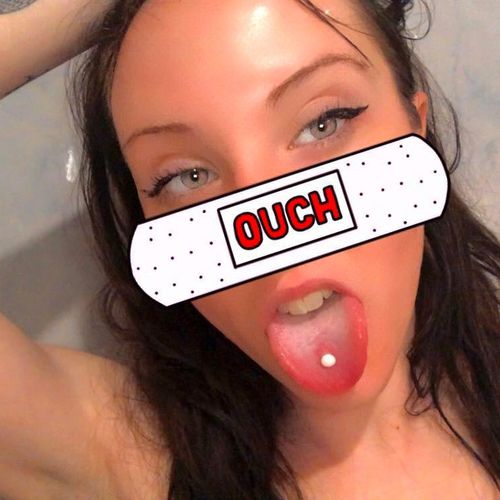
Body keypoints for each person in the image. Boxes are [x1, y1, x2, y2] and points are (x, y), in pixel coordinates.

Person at [0, 0, 499, 498]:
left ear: (416, 130)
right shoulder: (123, 454)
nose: (275, 238)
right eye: (187, 177)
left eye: (323, 123)